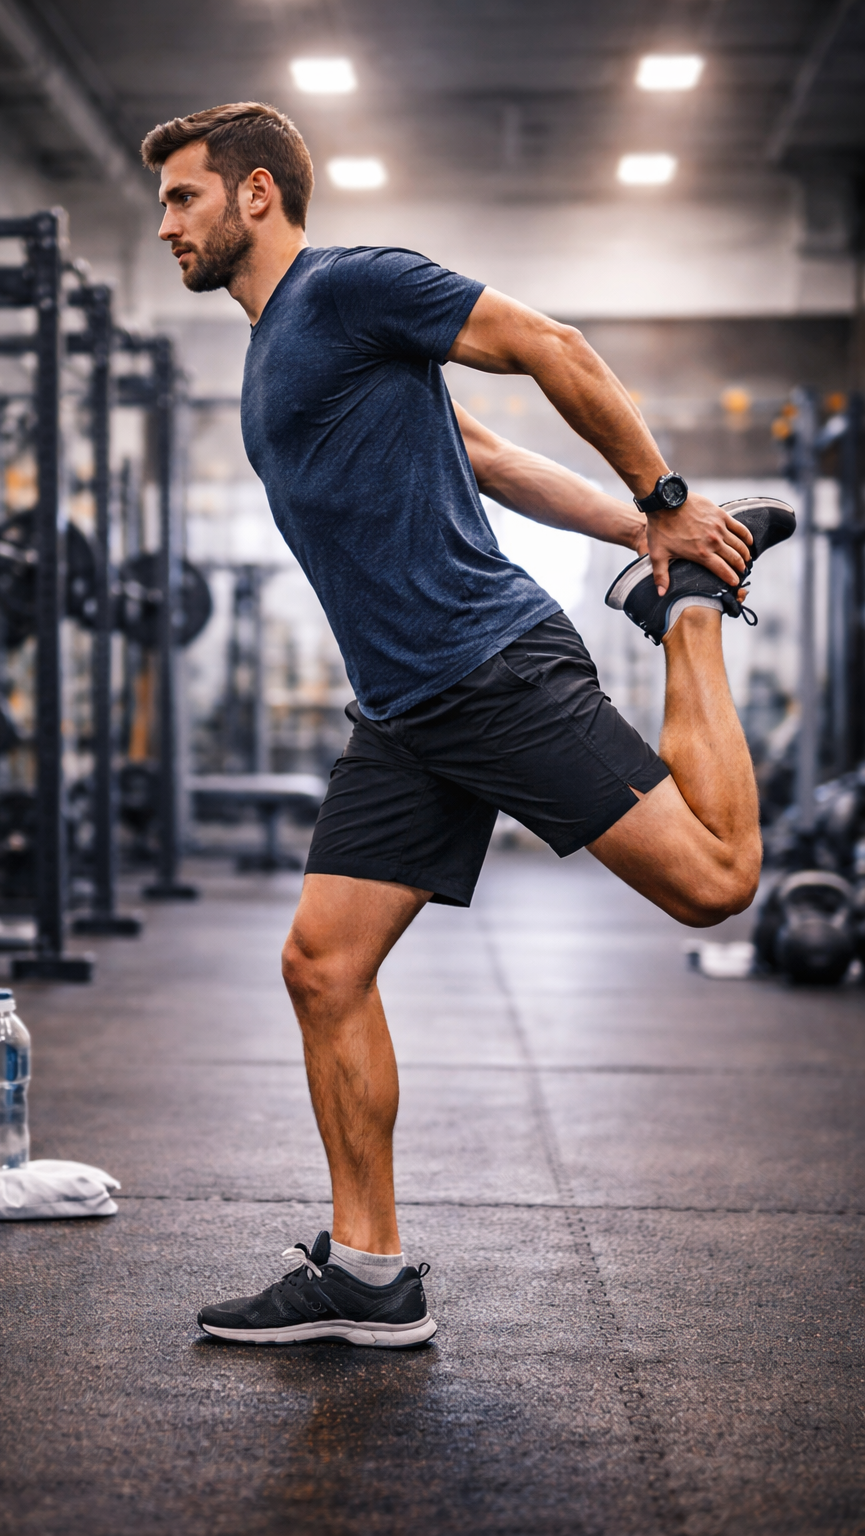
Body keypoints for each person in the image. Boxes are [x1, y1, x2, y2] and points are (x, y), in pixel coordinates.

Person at [140, 102, 794, 1348]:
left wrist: (667, 512)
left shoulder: (347, 287)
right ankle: (369, 1273)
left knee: (716, 883)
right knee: (321, 966)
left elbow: (548, 343)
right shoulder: (282, 344)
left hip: (486, 670)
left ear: (259, 193)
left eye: (184, 197)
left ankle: (698, 615)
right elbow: (483, 455)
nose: (166, 222)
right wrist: (632, 532)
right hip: (402, 707)